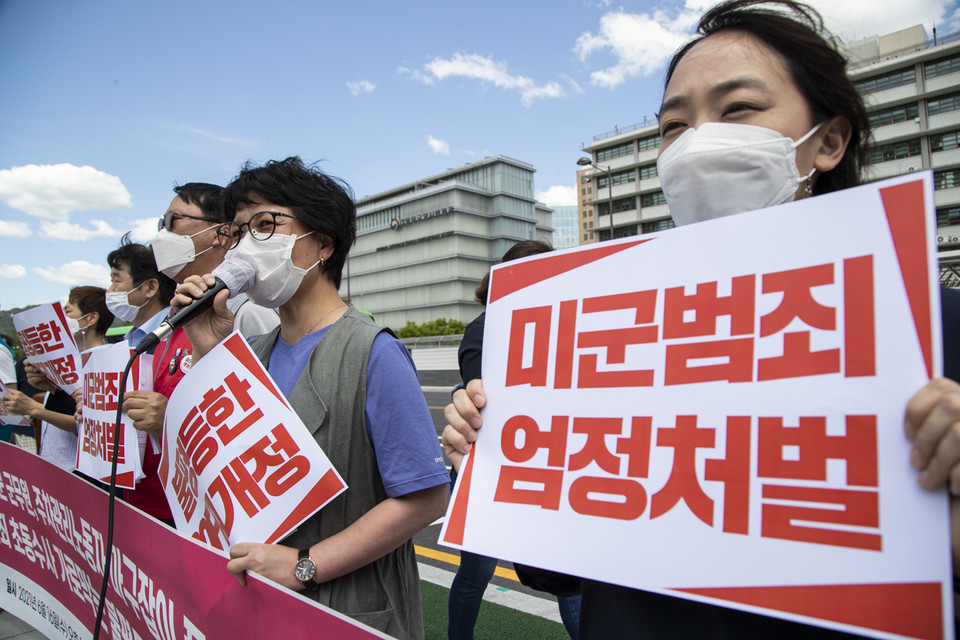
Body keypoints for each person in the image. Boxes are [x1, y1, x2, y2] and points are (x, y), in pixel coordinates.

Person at [441, 1, 960, 637]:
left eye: (738, 109)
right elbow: (557, 576)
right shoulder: (610, 338)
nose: (697, 144)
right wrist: (504, 467)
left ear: (828, 141)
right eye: (673, 126)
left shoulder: (936, 328)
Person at [174, 157, 449, 639]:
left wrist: (306, 564)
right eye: (237, 234)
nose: (246, 247)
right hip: (258, 604)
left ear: (323, 243)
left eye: (264, 225)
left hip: (348, 608)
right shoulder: (250, 352)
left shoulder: (372, 350)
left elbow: (426, 497)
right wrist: (206, 343)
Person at [448, 239, 581, 640]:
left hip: (544, 464)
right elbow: (480, 388)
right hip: (489, 466)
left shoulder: (561, 323)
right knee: (476, 574)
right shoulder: (487, 327)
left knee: (568, 579)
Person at [124, 183, 281, 442]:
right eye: (160, 224)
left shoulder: (248, 312)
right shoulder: (174, 317)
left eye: (172, 220)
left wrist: (173, 423)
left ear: (222, 234)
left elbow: (270, 426)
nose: (162, 234)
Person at [103, 236, 177, 523]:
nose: (110, 291)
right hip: (134, 496)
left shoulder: (184, 334)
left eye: (116, 280)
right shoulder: (127, 343)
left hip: (170, 504)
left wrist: (168, 421)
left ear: (149, 287)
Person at [6, 286, 114, 471]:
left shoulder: (103, 361)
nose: (60, 319)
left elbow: (89, 424)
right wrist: (51, 388)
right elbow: (67, 410)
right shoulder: (68, 360)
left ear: (90, 318)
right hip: (57, 465)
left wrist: (33, 408)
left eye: (68, 311)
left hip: (78, 470)